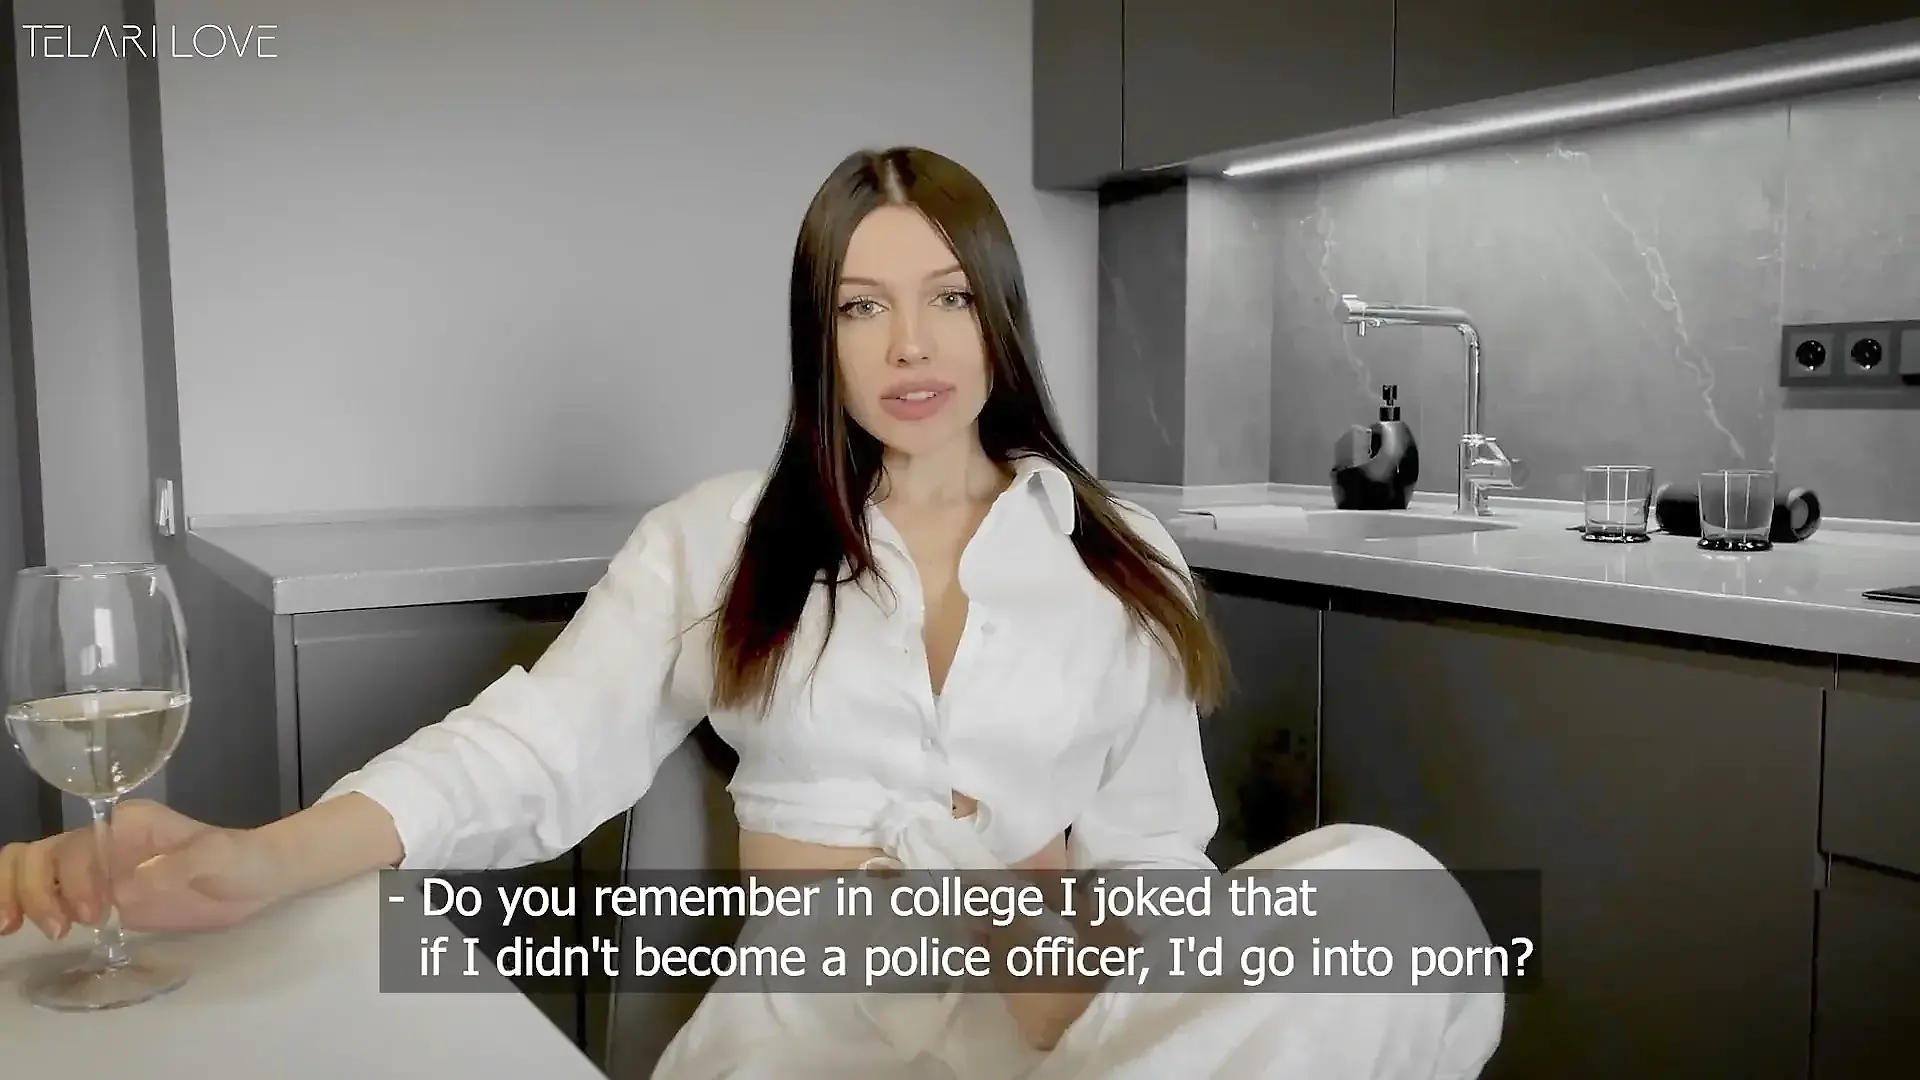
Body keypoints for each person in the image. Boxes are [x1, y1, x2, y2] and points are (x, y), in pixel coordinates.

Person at [0, 146, 1502, 1079]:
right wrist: (259, 859)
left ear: (998, 317)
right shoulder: (723, 539)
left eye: (948, 298)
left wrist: (1069, 932)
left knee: (1397, 895)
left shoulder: (1124, 559)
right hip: (810, 1031)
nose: (910, 345)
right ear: (820, 338)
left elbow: (1159, 857)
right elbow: (528, 751)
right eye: (861, 306)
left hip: (1059, 1035)